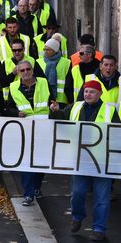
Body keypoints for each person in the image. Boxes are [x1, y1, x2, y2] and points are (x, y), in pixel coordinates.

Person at [50, 80, 119, 241]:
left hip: (102, 161)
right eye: (86, 91)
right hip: (80, 159)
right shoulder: (75, 107)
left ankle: (99, 228)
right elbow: (60, 121)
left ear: (100, 94)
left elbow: (116, 133)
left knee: (102, 197)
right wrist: (54, 111)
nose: (88, 94)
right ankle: (77, 217)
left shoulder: (109, 110)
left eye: (92, 92)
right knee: (78, 193)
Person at [6, 60, 55, 206]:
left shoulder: (44, 83)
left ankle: (36, 187)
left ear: (32, 70)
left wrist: (54, 106)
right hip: (24, 130)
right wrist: (16, 113)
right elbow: (7, 108)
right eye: (22, 70)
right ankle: (28, 194)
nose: (26, 72)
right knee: (26, 162)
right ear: (18, 73)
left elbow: (53, 101)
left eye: (28, 69)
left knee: (40, 161)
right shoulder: (13, 87)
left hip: (43, 129)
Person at [35, 38, 71, 108]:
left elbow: (69, 83)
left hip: (61, 100)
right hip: (43, 98)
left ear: (55, 50)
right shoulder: (38, 62)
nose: (45, 51)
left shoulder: (67, 63)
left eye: (48, 49)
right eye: (44, 49)